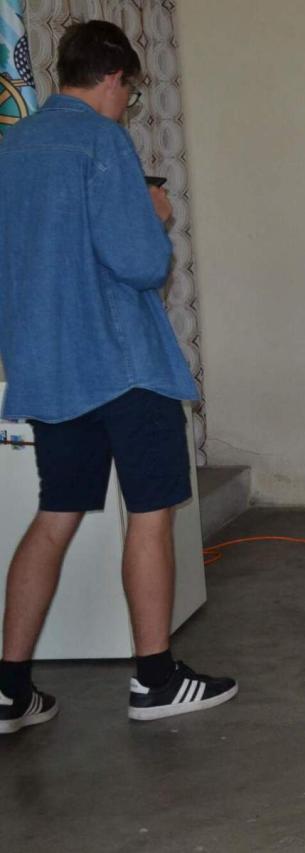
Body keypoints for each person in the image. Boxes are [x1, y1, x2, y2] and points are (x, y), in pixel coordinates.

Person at [0, 20, 237, 734]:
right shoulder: (102, 142)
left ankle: (9, 687)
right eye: (129, 93)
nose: (126, 104)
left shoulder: (13, 146)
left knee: (55, 517)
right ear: (112, 78)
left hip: (51, 369)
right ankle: (156, 678)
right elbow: (140, 263)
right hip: (123, 367)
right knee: (151, 513)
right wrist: (153, 213)